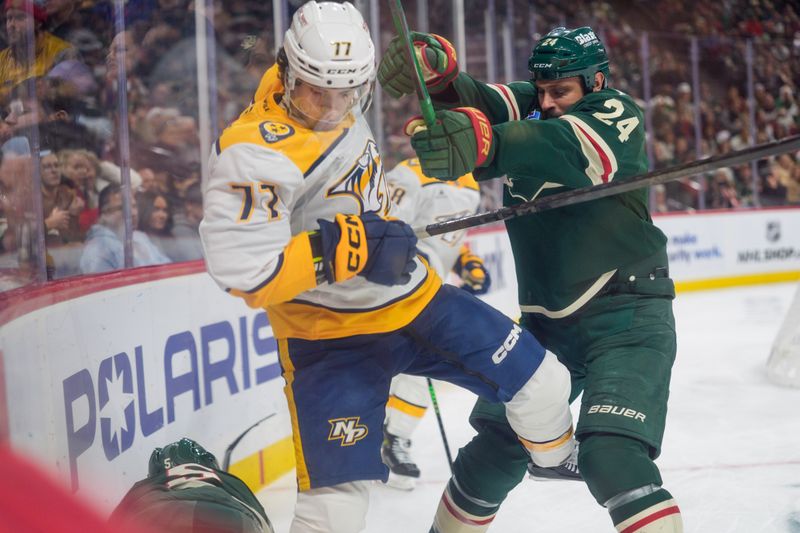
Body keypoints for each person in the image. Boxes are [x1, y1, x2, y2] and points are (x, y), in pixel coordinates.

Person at [200, 3, 576, 532]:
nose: (333, 107)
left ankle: (555, 457)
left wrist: (435, 79)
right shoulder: (253, 153)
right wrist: (351, 246)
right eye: (317, 91)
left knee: (545, 381)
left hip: (417, 302)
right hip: (330, 339)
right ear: (287, 71)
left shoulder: (336, 89)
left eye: (348, 93)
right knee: (337, 510)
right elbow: (245, 271)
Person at [379, 26, 683, 532]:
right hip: (549, 326)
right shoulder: (538, 103)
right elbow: (476, 101)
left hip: (626, 313)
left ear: (596, 82)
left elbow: (561, 146)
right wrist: (438, 75)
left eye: (559, 91)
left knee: (611, 458)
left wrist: (485, 142)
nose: (546, 102)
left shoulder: (616, 113)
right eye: (540, 90)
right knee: (492, 452)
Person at [381, 157, 490, 489]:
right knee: (410, 361)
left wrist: (466, 260)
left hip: (433, 284)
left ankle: (392, 438)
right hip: (400, 286)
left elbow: (452, 236)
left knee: (420, 364)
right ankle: (382, 438)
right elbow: (383, 228)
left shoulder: (470, 180)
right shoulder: (408, 174)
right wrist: (414, 266)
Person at [111, 438, 274, 533]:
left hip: (155, 514)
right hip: (235, 520)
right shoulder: (232, 485)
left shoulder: (148, 487)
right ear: (211, 466)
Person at [80, 183, 170, 273]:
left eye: (134, 206)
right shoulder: (97, 250)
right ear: (105, 213)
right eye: (123, 208)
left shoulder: (140, 237)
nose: (133, 213)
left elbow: (167, 267)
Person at [0, 0, 78, 103]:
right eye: (9, 19)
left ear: (38, 23)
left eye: (20, 18)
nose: (11, 25)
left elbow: (72, 94)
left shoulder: (62, 52)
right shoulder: (2, 58)